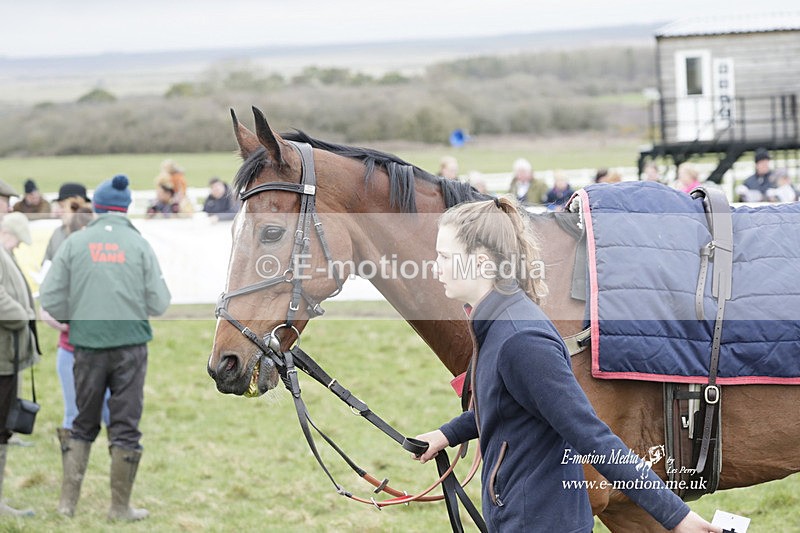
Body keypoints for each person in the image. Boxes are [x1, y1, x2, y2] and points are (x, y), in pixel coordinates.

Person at [414, 198, 720, 533]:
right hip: (520, 515)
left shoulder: (521, 339)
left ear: (484, 263)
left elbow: (592, 436)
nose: (435, 267)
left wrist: (677, 518)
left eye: (445, 257)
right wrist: (447, 434)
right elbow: (509, 405)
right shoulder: (495, 322)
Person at [40, 174, 171, 521]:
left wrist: (77, 318)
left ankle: (66, 505)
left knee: (82, 422)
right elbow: (159, 303)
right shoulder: (139, 244)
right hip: (130, 348)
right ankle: (119, 508)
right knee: (125, 425)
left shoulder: (75, 242)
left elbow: (50, 297)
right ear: (126, 208)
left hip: (85, 346)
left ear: (96, 206)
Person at [39, 186, 111, 448]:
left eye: (62, 204)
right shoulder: (57, 237)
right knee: (73, 411)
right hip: (69, 340)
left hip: (99, 340)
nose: (57, 209)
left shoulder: (97, 236)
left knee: (107, 408)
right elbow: (47, 280)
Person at [0, 213, 40, 517]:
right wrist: (24, 313)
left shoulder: (5, 254)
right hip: (2, 357)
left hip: (8, 356)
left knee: (3, 429)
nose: (15, 246)